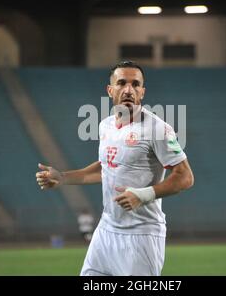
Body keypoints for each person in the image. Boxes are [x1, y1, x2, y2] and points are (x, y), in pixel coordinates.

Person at [36, 60, 194, 276]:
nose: (129, 90)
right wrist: (62, 177)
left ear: (143, 92)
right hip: (106, 230)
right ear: (110, 90)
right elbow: (106, 168)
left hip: (141, 236)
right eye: (121, 83)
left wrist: (143, 194)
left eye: (135, 84)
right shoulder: (106, 125)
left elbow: (185, 177)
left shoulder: (157, 128)